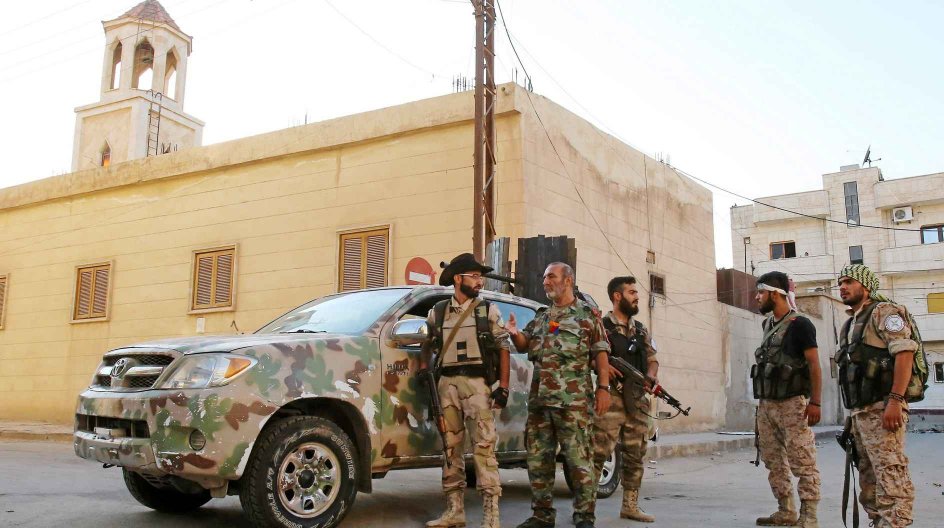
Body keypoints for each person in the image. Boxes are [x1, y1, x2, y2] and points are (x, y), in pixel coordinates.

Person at [506, 262, 611, 528]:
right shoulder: (542, 316)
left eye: (551, 276)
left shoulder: (587, 315)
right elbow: (525, 344)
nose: (545, 281)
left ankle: (584, 515)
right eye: (544, 278)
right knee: (539, 461)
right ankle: (542, 514)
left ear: (568, 280)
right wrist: (515, 334)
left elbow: (600, 353)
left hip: (573, 404)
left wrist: (603, 388)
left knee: (579, 462)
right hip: (540, 402)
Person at [420, 253, 512, 528]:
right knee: (450, 448)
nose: (480, 281)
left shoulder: (486, 311)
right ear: (458, 279)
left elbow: (503, 347)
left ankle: (491, 515)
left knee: (484, 448)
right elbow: (427, 341)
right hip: (446, 384)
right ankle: (454, 511)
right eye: (474, 276)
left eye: (480, 276)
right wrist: (426, 369)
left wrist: (503, 388)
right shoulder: (437, 312)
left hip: (477, 386)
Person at [836, 264, 917, 528]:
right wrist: (853, 415)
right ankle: (878, 522)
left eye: (849, 281)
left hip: (884, 407)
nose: (843, 287)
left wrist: (895, 400)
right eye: (840, 282)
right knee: (868, 480)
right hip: (861, 412)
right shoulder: (850, 322)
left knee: (891, 476)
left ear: (865, 285)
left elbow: (904, 353)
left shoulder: (884, 312)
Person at [751, 271, 822, 527]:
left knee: (802, 461)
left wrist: (815, 402)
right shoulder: (767, 325)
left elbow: (814, 364)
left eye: (761, 292)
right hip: (767, 404)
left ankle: (809, 516)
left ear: (776, 293)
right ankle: (786, 510)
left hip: (793, 404)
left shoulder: (800, 324)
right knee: (773, 460)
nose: (757, 297)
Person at [590, 276, 659, 523]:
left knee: (635, 454)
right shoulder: (601, 326)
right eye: (632, 292)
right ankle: (585, 508)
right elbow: (587, 355)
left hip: (637, 400)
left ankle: (630, 505)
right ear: (617, 296)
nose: (637, 296)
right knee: (598, 452)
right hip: (610, 399)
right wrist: (603, 365)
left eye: (636, 292)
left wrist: (650, 377)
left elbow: (652, 359)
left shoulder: (640, 330)